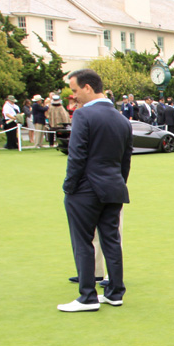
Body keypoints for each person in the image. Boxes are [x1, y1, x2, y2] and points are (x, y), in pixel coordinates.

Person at [58, 68, 132, 312]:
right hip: (114, 187)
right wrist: (118, 183)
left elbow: (76, 155)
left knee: (83, 241)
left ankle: (87, 296)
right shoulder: (122, 119)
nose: (74, 96)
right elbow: (125, 160)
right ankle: (115, 293)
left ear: (88, 88)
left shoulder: (83, 116)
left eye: (75, 90)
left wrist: (69, 187)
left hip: (86, 189)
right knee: (111, 240)